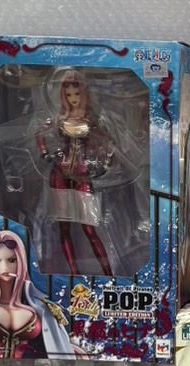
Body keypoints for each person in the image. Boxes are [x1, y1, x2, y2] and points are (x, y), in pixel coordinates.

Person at [35, 70, 116, 276]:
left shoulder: (92, 120)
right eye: (69, 94)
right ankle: (74, 273)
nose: (73, 98)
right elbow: (39, 133)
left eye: (76, 94)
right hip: (59, 174)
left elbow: (109, 141)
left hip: (83, 174)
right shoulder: (58, 119)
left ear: (83, 94)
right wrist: (45, 154)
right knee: (64, 228)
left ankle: (108, 274)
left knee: (90, 228)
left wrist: (105, 164)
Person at [0, 230, 77, 358]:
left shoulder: (42, 305)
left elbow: (57, 342)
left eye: (12, 260)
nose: (5, 267)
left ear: (21, 260)